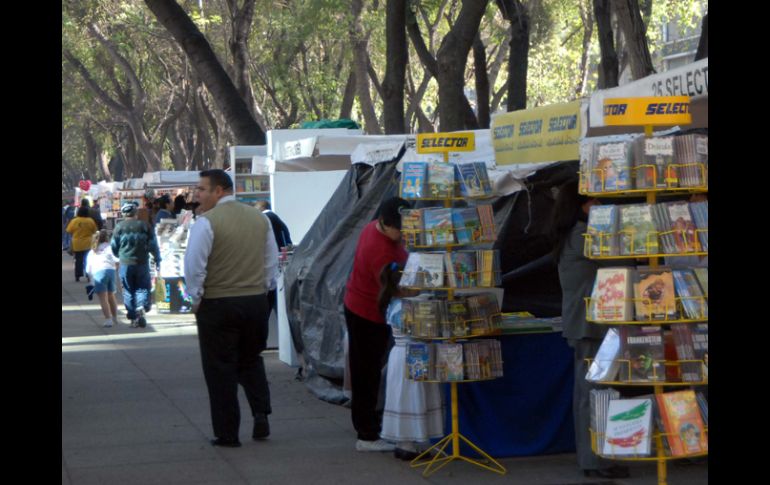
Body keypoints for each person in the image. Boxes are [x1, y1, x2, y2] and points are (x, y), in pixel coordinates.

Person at [184, 169, 278, 448]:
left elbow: (194, 266)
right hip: (254, 302)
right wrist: (262, 288)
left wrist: (196, 297)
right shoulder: (260, 219)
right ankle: (261, 413)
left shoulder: (206, 223)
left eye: (202, 189)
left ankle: (228, 432)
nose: (197, 195)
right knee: (251, 359)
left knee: (220, 368)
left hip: (218, 303)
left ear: (220, 190)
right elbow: (270, 261)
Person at [550, 179, 631, 479]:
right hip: (590, 325)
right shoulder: (583, 235)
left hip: (589, 324)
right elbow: (620, 256)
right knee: (594, 393)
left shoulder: (571, 235)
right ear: (581, 205)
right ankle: (595, 460)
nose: (599, 208)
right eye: (594, 203)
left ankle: (599, 457)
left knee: (593, 392)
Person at [343, 196, 411, 452]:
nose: (402, 235)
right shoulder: (379, 250)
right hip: (365, 312)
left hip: (363, 305)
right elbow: (395, 290)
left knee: (368, 371)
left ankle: (370, 424)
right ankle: (367, 435)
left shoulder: (373, 226)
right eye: (399, 230)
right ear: (384, 223)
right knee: (366, 373)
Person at [377, 262, 444, 460]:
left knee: (410, 396)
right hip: (410, 354)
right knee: (410, 397)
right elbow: (418, 331)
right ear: (403, 287)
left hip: (405, 355)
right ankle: (407, 443)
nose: (419, 288)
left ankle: (413, 441)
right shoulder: (402, 308)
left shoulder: (395, 303)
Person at [111, 202, 161, 328]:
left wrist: (119, 255)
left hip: (125, 263)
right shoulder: (144, 226)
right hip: (142, 262)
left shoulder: (119, 227)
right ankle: (140, 307)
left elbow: (114, 246)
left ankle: (133, 317)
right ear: (136, 213)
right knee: (142, 287)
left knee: (128, 289)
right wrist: (157, 258)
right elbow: (153, 245)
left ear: (123, 213)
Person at [254, 200, 292, 320]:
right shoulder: (277, 219)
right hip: (282, 262)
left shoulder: (264, 219)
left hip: (271, 267)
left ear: (260, 209)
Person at [86, 230, 120, 327]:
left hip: (99, 273)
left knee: (102, 298)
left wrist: (91, 280)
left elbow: (88, 269)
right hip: (111, 271)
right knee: (111, 295)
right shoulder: (111, 248)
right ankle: (115, 317)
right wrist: (115, 269)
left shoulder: (92, 251)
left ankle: (108, 319)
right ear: (107, 238)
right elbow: (117, 260)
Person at [66, 206, 99, 282]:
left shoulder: (74, 221)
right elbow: (95, 231)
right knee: (87, 260)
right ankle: (88, 275)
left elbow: (69, 230)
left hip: (77, 243)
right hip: (88, 243)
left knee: (78, 260)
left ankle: (77, 276)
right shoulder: (90, 220)